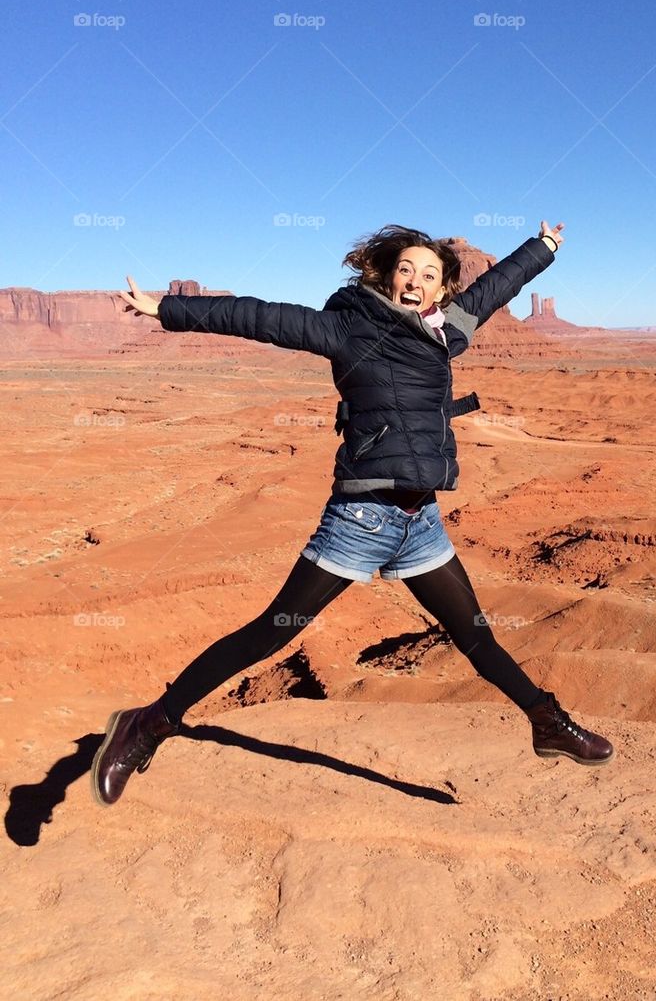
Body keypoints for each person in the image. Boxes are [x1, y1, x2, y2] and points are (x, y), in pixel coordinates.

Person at [91, 220, 614, 807]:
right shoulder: (348, 327)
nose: (416, 281)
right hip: (362, 518)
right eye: (406, 270)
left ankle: (546, 722)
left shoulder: (447, 330)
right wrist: (166, 308)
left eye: (429, 275)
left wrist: (543, 247)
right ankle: (149, 723)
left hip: (420, 521)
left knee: (474, 635)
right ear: (388, 277)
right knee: (273, 631)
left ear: (441, 289)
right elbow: (259, 317)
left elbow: (496, 288)